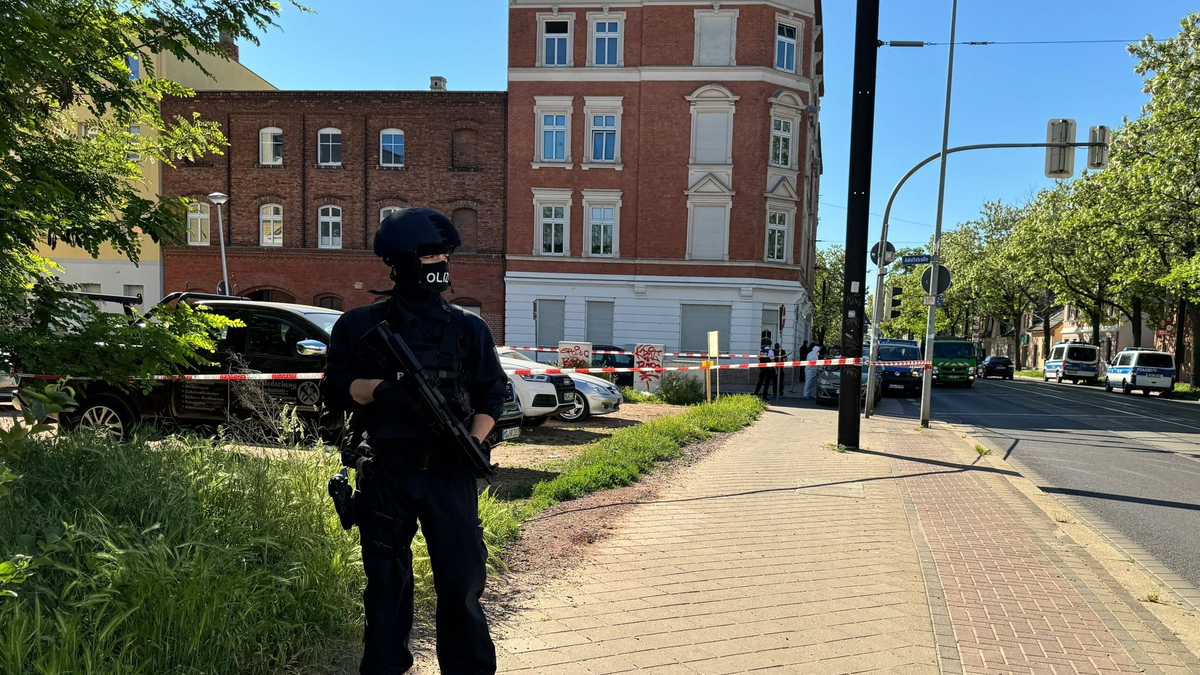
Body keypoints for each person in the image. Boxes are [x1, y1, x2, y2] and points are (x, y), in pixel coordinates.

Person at [322, 207, 506, 675]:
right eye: (429, 254)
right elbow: (334, 388)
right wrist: (380, 390)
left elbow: (491, 395)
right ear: (402, 261)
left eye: (445, 254)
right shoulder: (359, 326)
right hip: (387, 472)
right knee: (386, 586)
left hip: (450, 473)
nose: (439, 262)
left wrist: (471, 441)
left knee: (462, 584)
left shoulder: (468, 328)